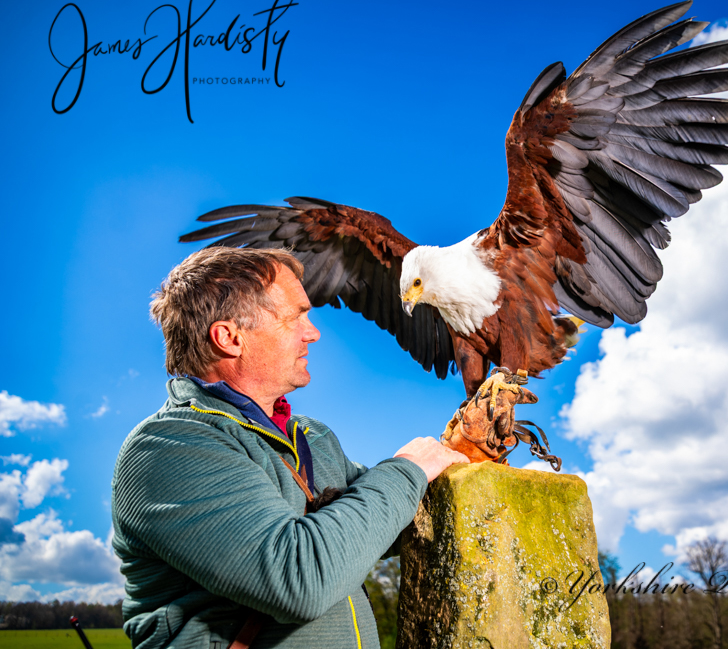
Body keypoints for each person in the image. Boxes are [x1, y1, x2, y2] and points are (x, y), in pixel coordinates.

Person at [111, 247, 468, 649]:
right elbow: (301, 579)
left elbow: (385, 524)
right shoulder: (167, 448)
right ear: (230, 337)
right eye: (296, 316)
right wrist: (406, 469)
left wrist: (466, 450)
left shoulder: (311, 437)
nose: (312, 332)